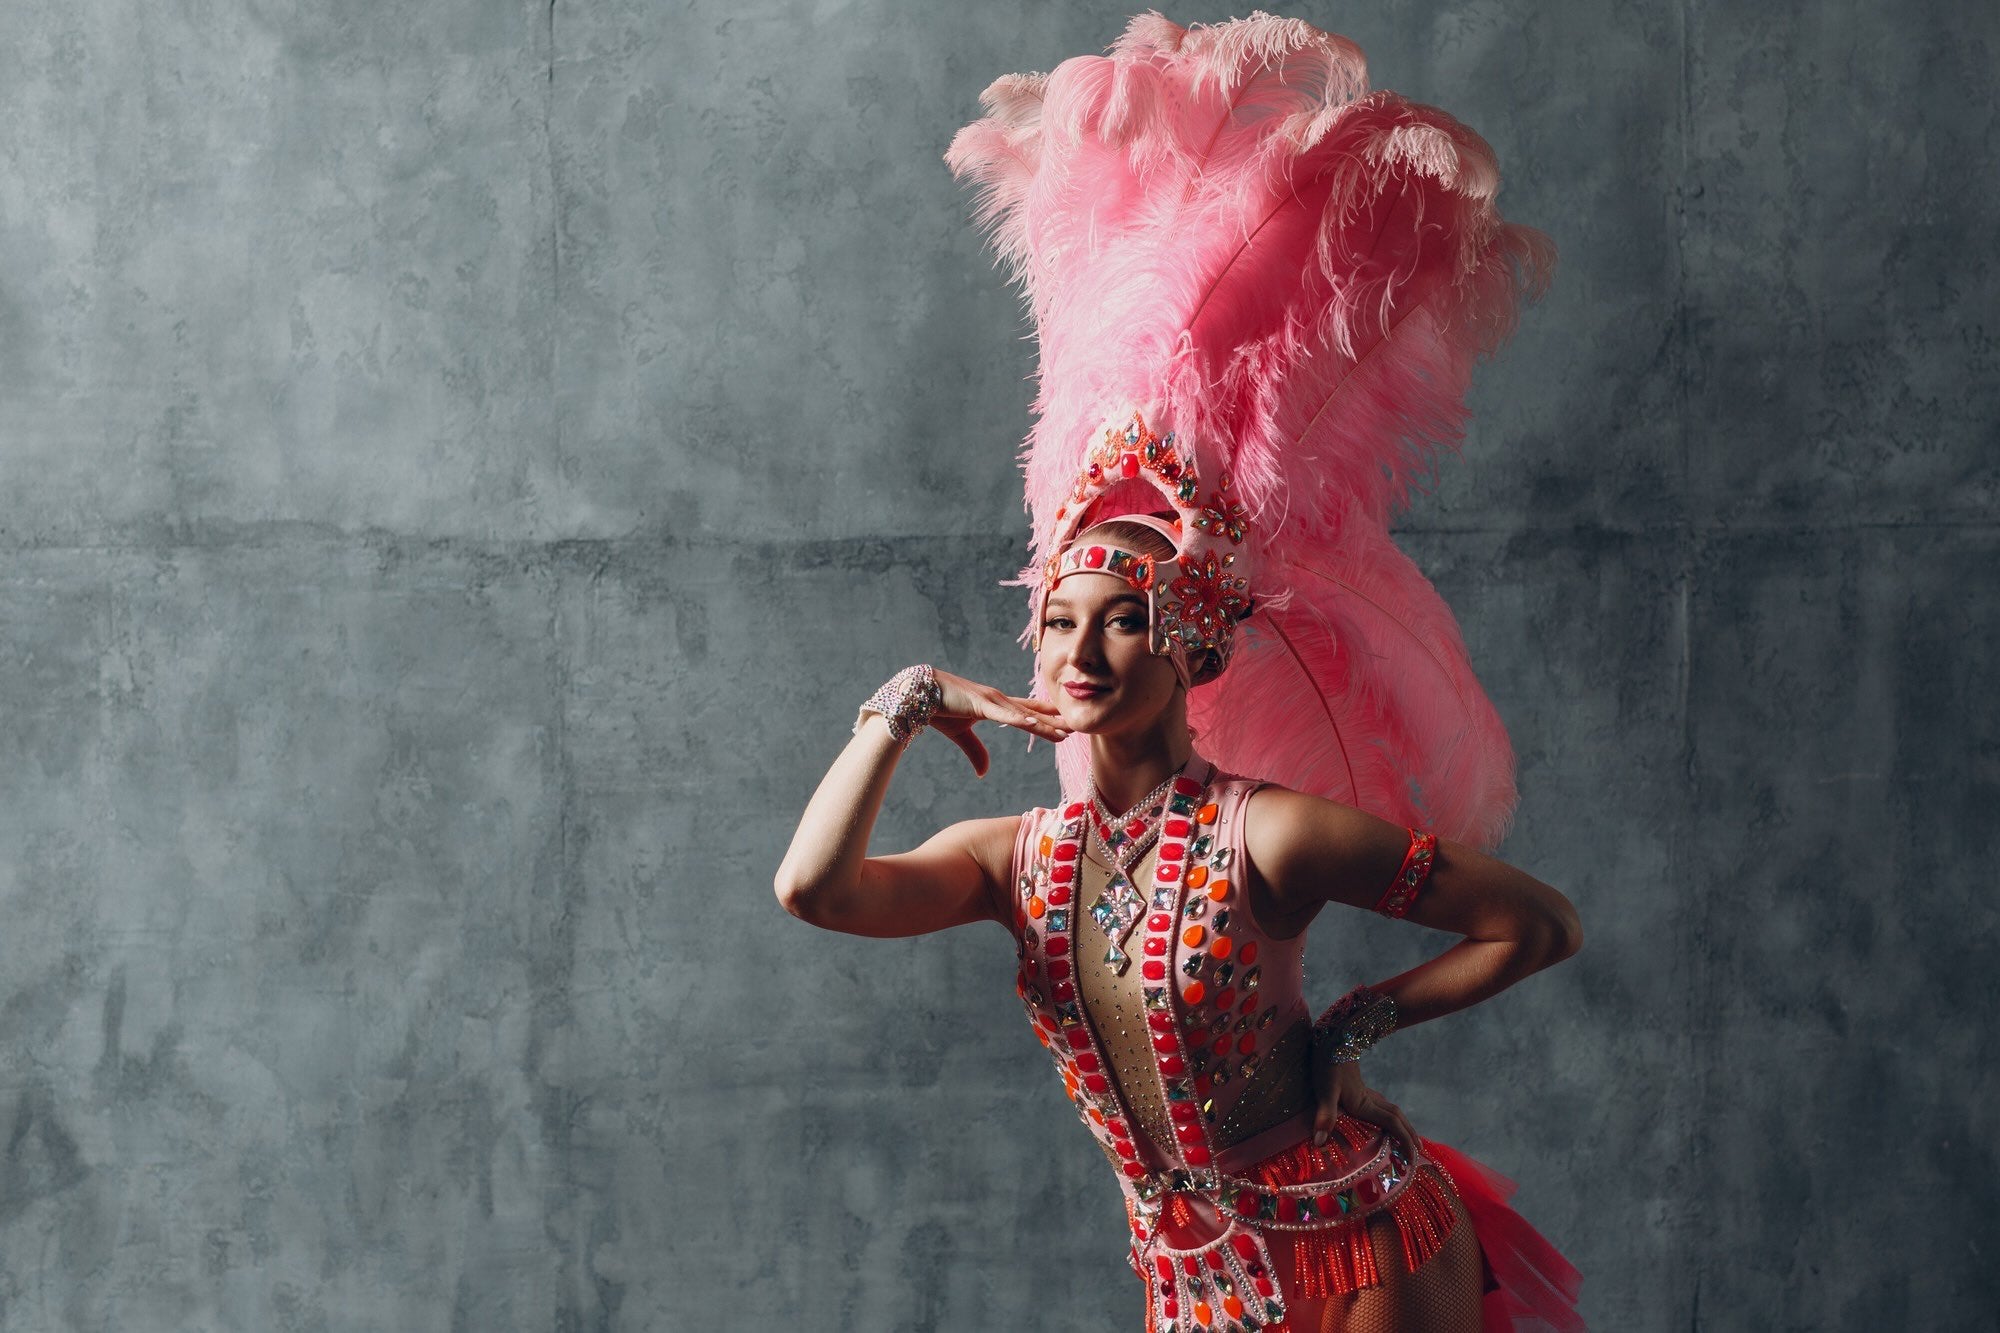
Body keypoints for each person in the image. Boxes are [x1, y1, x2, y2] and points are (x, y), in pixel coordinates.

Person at [777, 14, 1587, 1330]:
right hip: (1192, 1276)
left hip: (1358, 1246)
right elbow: (812, 888)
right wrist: (908, 700)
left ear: (1197, 643)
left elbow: (1539, 922)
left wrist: (1362, 1024)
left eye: (1128, 618)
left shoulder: (1268, 835)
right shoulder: (1019, 863)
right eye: (1060, 620)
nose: (1083, 650)